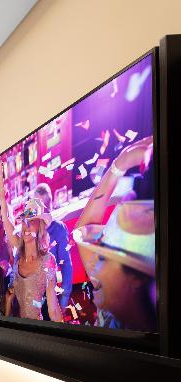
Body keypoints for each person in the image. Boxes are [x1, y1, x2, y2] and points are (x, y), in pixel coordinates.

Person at [73, 137, 156, 331]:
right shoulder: (120, 303)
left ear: (136, 278)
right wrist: (118, 166)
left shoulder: (114, 307)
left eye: (104, 256)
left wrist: (118, 167)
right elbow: (84, 229)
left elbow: (84, 229)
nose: (94, 266)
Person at [0, 172, 63, 322]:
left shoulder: (47, 261)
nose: (26, 226)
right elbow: (6, 221)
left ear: (40, 226)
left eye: (31, 221)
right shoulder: (19, 251)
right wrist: (2, 191)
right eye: (24, 222)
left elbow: (53, 310)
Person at [33, 183, 73, 310]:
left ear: (49, 206)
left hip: (51, 295)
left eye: (43, 208)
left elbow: (66, 265)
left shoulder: (58, 228)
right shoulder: (31, 230)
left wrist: (64, 299)